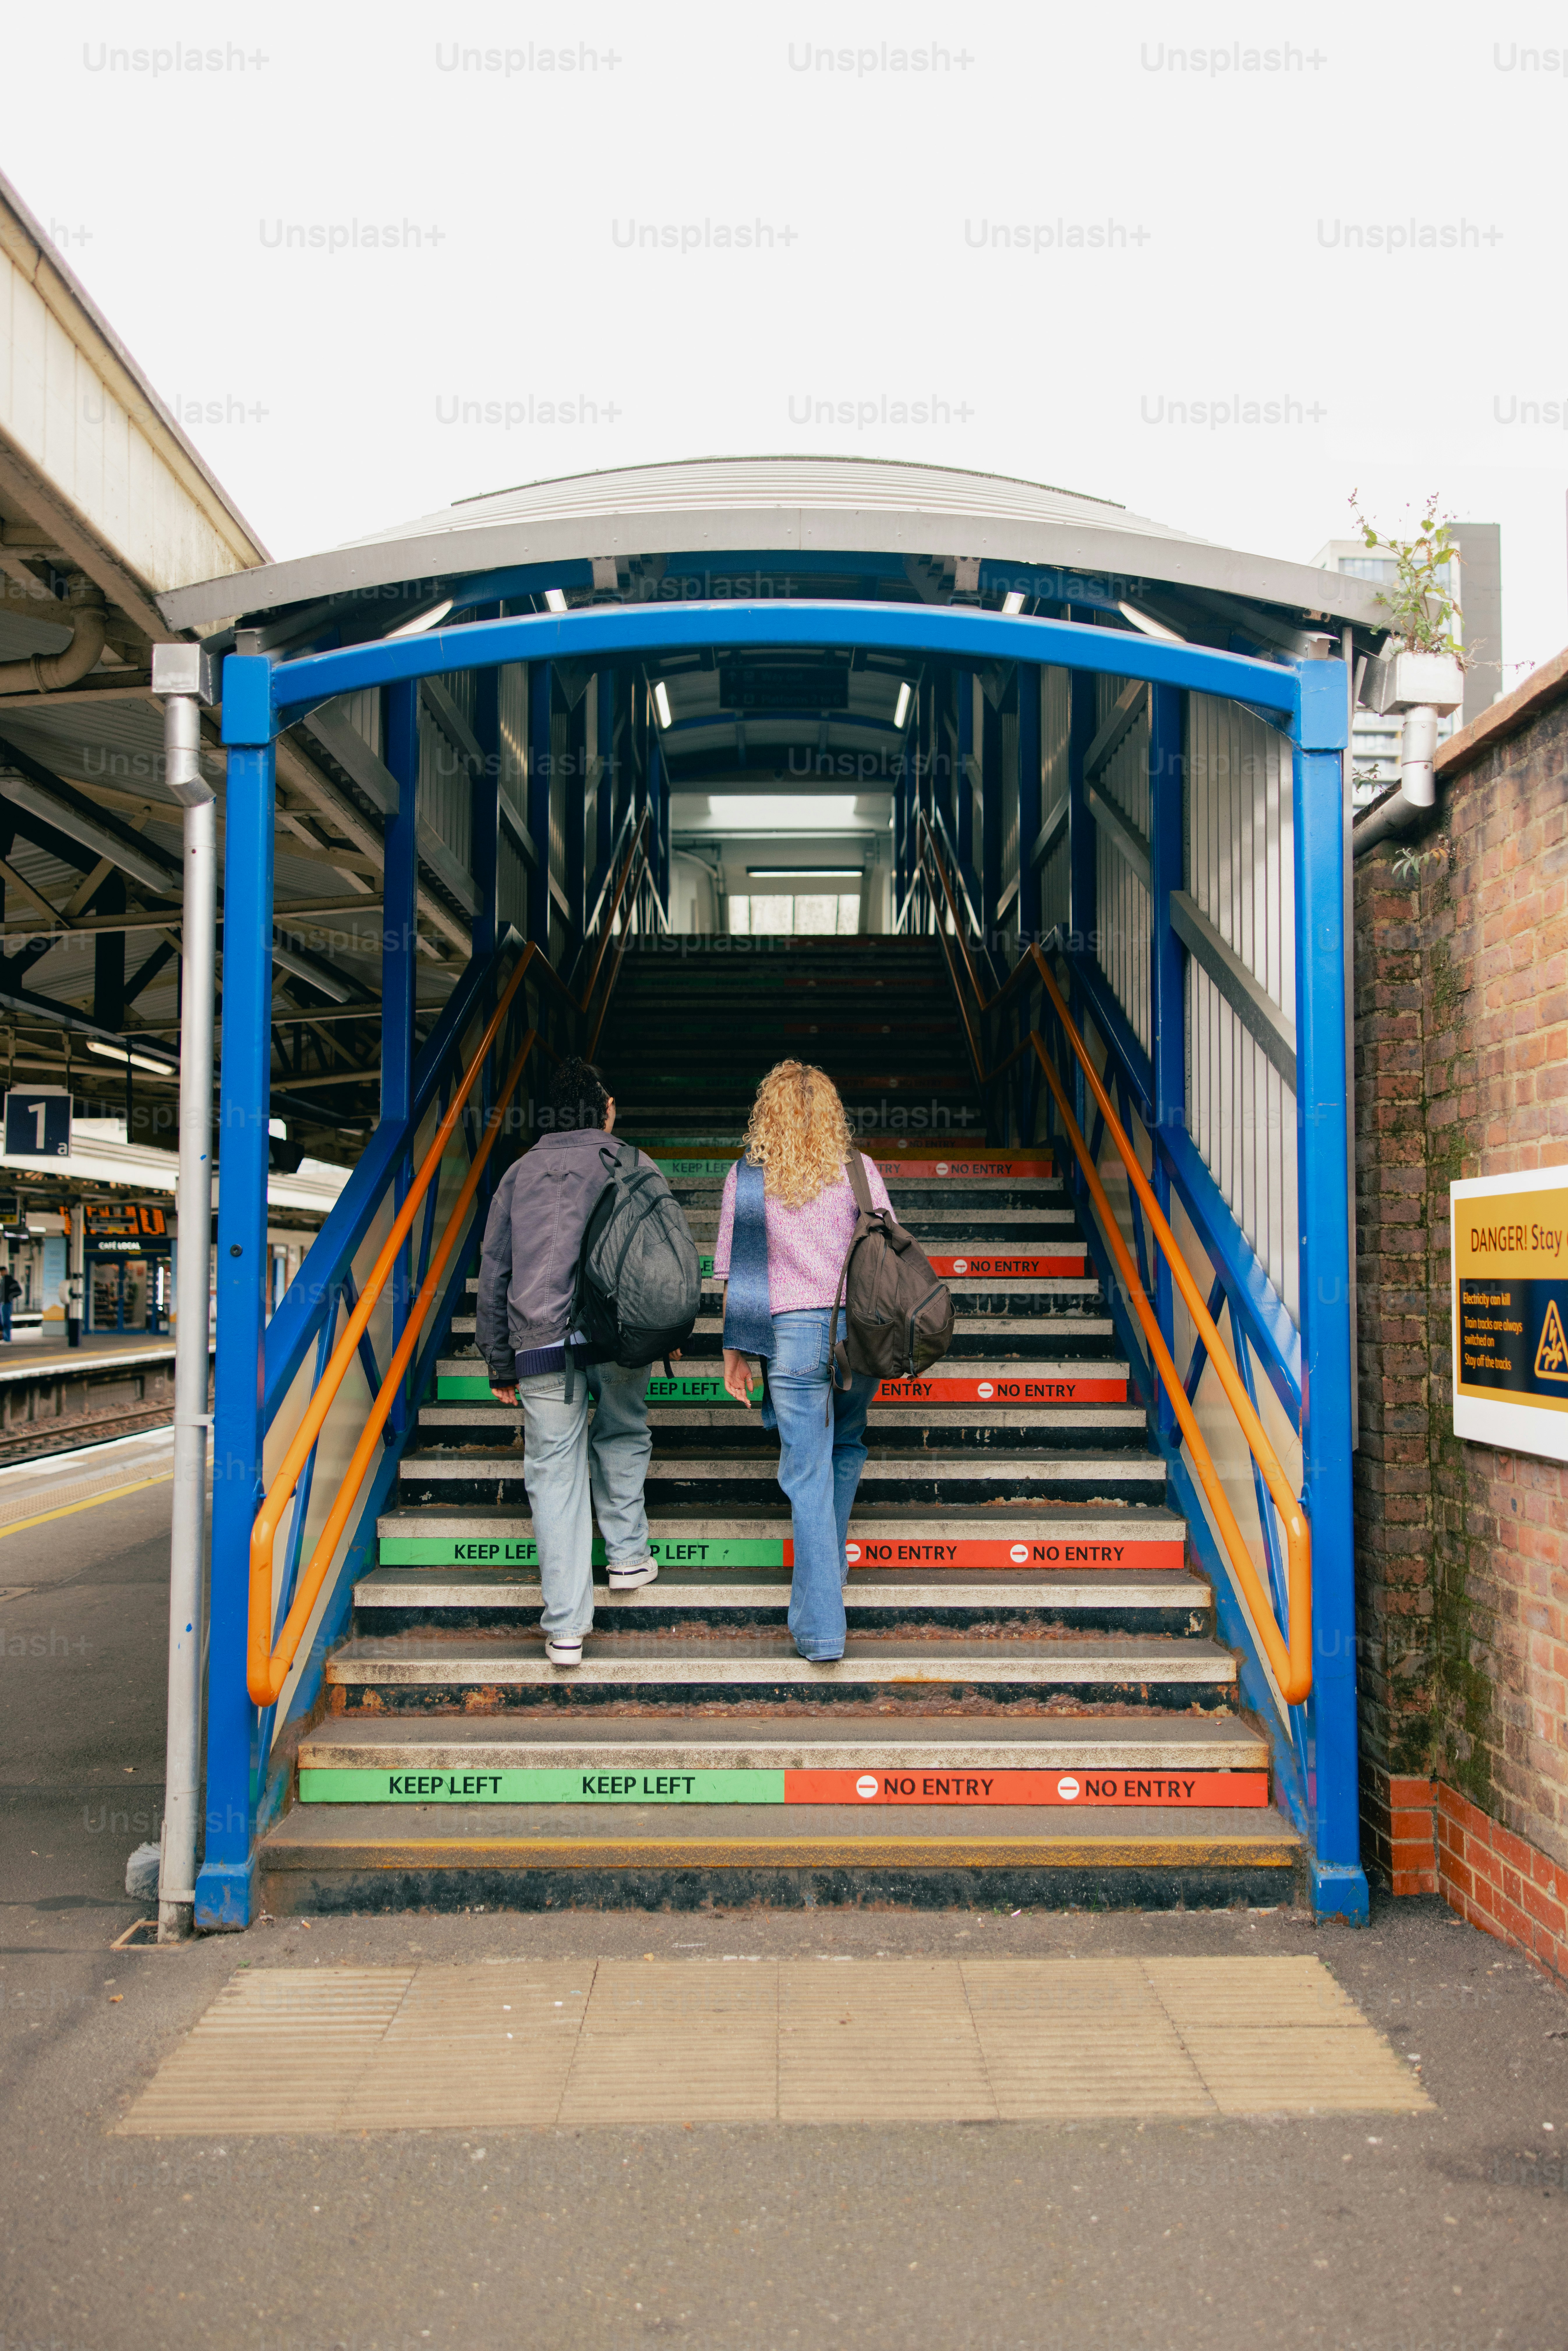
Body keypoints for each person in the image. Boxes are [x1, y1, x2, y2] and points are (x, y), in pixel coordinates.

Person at [475, 1055, 658, 1668]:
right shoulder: (631, 1161)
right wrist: (665, 1327)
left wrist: (500, 1360)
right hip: (620, 1335)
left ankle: (565, 1629)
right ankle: (628, 1557)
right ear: (602, 1109)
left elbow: (495, 1271)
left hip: (540, 1341)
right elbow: (661, 1260)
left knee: (552, 1473)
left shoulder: (519, 1173)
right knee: (624, 1430)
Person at [714, 1060, 891, 1664]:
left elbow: (739, 1279)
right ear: (832, 1114)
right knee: (844, 1443)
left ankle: (820, 1627)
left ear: (769, 1112)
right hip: (858, 1335)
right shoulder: (860, 1172)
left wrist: (733, 1352)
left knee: (805, 1471)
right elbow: (886, 1254)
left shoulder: (746, 1178)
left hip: (790, 1336)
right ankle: (827, 1585)